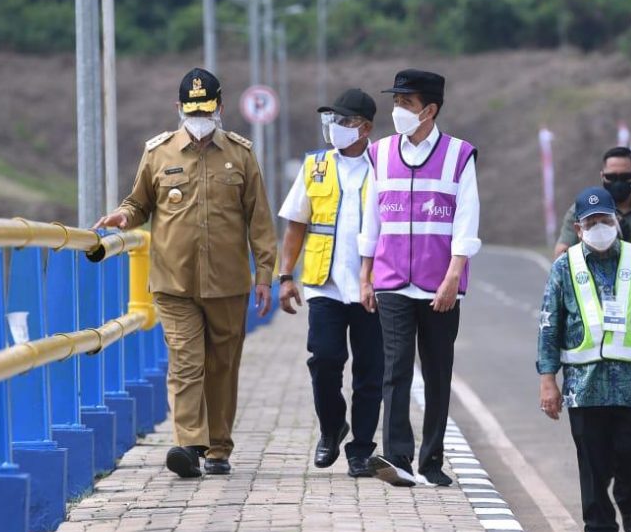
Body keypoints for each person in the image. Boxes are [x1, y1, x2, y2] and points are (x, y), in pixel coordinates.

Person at [94, 67, 277, 478]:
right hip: (173, 283)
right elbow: (138, 202)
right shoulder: (158, 153)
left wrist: (264, 275)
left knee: (222, 366)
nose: (199, 117)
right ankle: (188, 445)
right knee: (186, 361)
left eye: (206, 109)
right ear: (178, 108)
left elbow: (260, 222)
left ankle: (218, 448)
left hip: (229, 284)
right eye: (192, 110)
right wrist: (125, 216)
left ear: (220, 108)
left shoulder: (241, 155)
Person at [537, 186, 631, 532]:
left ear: (616, 222)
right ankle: (598, 529)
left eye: (605, 220)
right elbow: (549, 324)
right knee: (592, 461)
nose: (599, 227)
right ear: (579, 228)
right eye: (591, 222)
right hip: (584, 386)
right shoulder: (565, 267)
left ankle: (629, 503)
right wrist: (547, 379)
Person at [357, 69, 480, 487]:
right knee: (395, 370)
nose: (398, 111)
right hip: (391, 281)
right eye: (395, 103)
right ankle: (397, 458)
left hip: (438, 285)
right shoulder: (380, 154)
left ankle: (431, 461)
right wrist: (365, 275)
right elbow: (370, 219)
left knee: (437, 373)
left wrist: (452, 278)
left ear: (429, 110)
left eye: (406, 104)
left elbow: (466, 224)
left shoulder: (459, 156)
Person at [554, 146, 631, 509]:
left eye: (626, 177)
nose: (619, 183)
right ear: (602, 177)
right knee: (596, 433)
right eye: (612, 178)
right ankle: (609, 499)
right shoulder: (583, 214)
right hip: (593, 336)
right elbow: (562, 258)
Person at [277, 88, 382, 478]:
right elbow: (296, 225)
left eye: (344, 121)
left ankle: (360, 448)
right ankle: (331, 427)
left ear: (366, 127)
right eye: (333, 120)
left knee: (370, 372)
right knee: (324, 361)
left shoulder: (384, 166)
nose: (335, 128)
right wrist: (286, 276)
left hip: (373, 287)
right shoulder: (316, 166)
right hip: (324, 284)